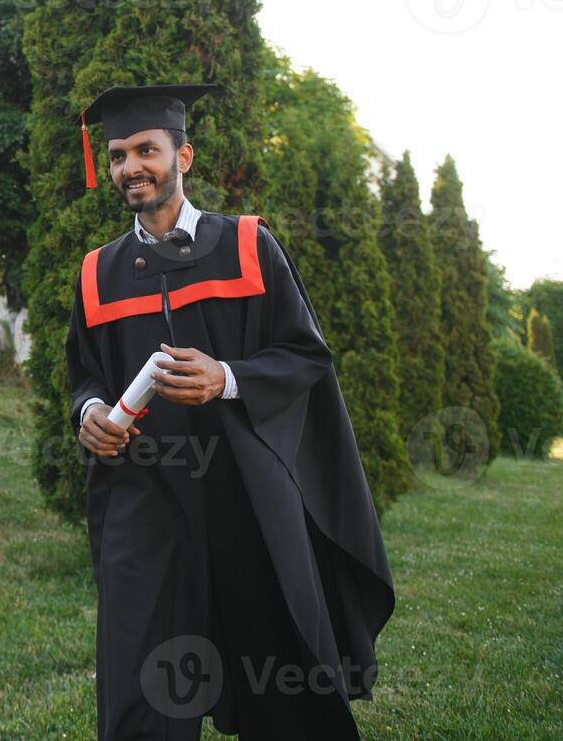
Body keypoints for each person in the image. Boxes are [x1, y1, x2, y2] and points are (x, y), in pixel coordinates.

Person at [65, 83, 395, 740]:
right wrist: (90, 412)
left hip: (245, 495)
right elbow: (83, 378)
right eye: (118, 155)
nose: (130, 166)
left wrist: (227, 378)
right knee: (140, 679)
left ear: (181, 156)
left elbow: (304, 356)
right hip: (145, 496)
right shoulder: (97, 273)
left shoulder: (245, 246)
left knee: (278, 673)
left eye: (145, 150)